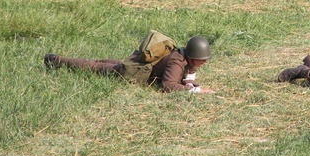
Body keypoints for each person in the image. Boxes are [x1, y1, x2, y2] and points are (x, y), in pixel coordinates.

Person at [44, 35, 215, 93]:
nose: (204, 63)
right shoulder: (177, 62)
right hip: (133, 71)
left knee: (100, 63)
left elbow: (186, 78)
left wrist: (192, 84)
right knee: (95, 66)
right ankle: (56, 60)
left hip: (138, 63)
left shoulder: (185, 58)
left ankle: (56, 59)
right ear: (193, 57)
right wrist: (194, 91)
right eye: (202, 60)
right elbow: (168, 85)